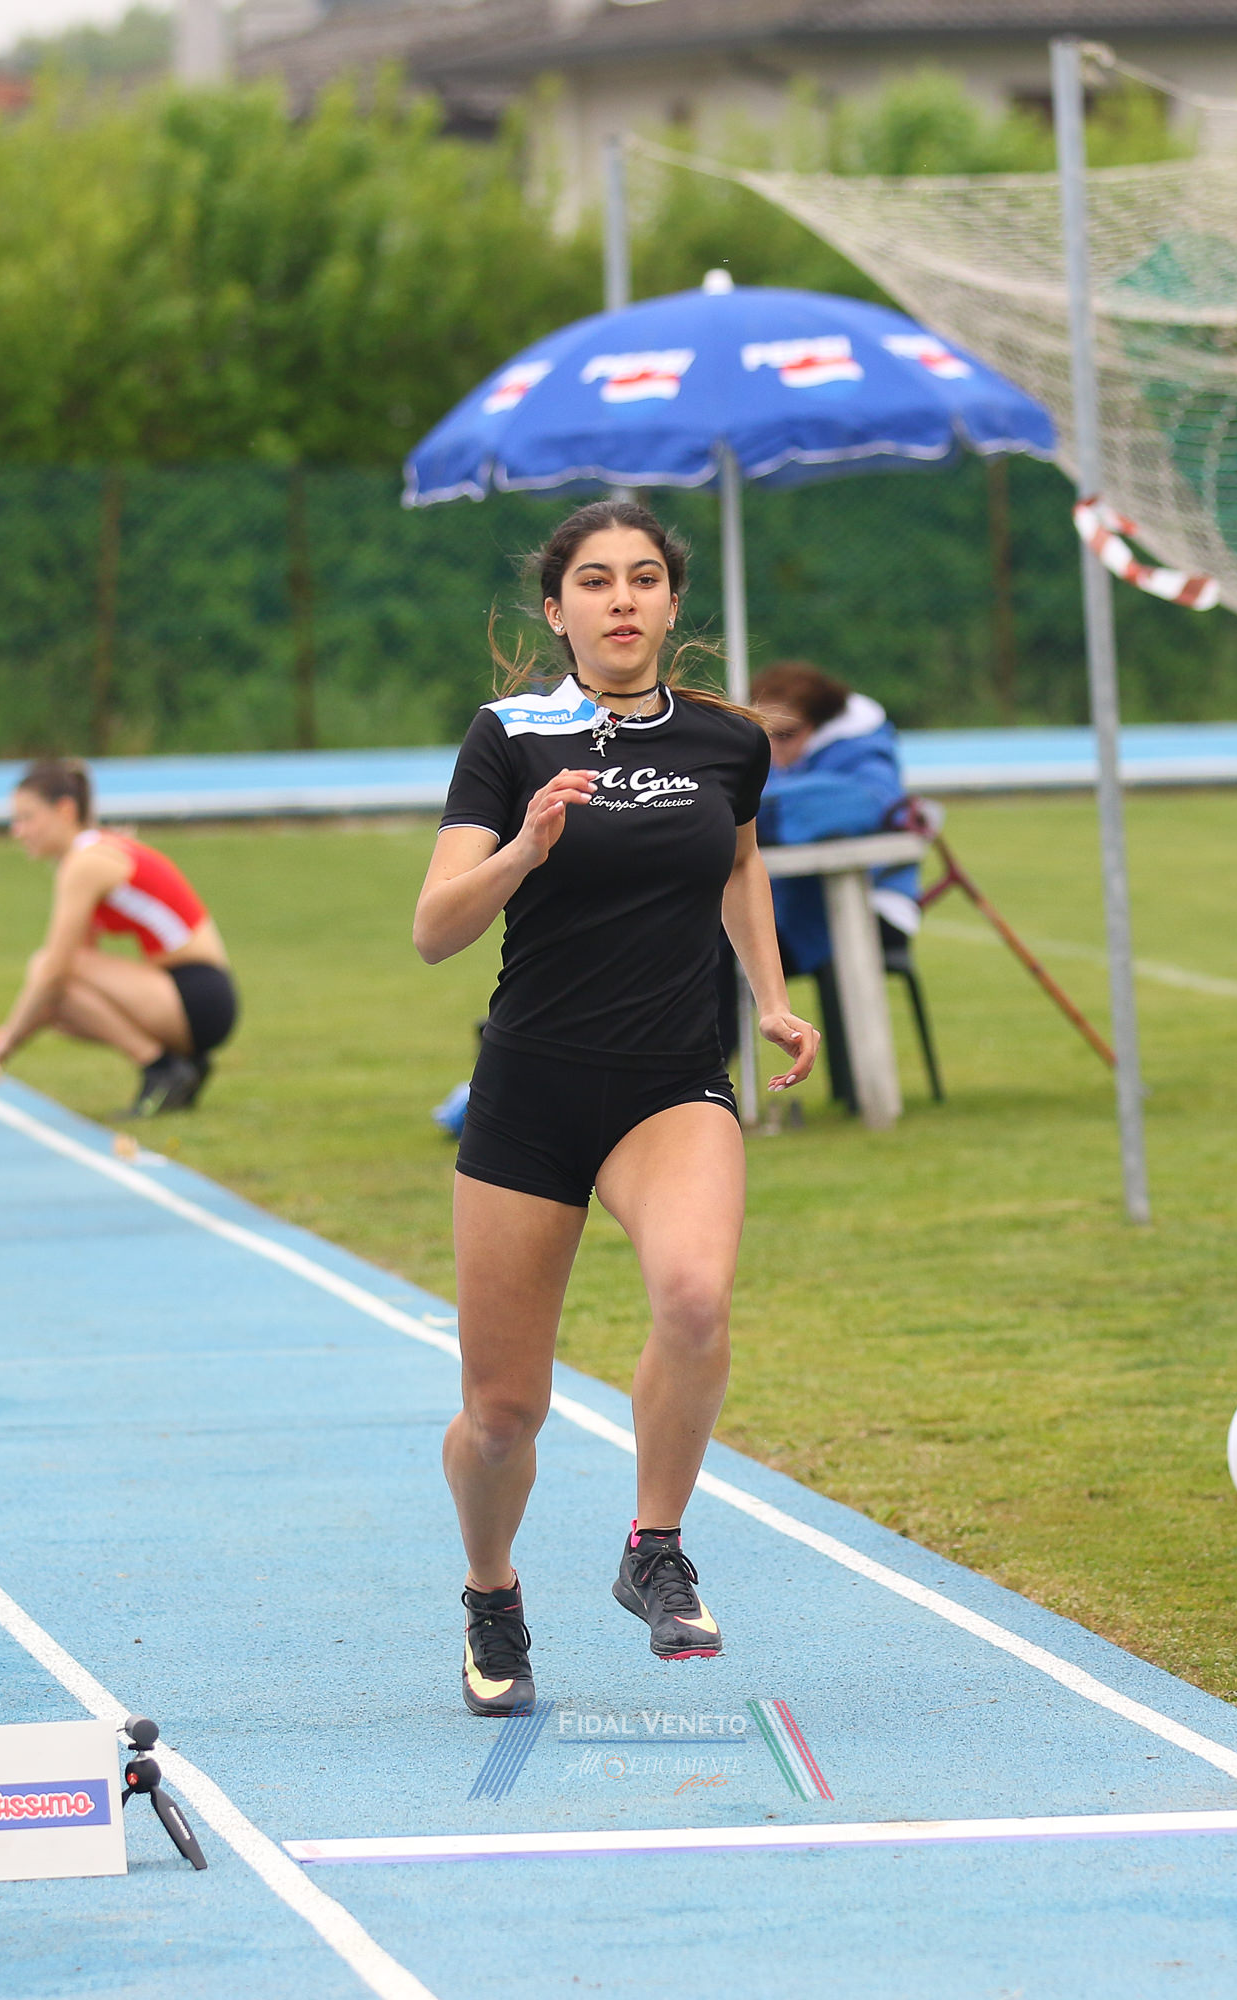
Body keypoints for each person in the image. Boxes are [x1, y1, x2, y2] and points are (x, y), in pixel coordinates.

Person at [413, 498, 818, 1717]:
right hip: (531, 1089)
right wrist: (524, 846)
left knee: (694, 1296)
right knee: (502, 1415)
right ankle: (492, 1591)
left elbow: (737, 858)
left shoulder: (728, 740)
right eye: (595, 580)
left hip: (669, 1079)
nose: (622, 598)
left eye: (644, 577)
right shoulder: (509, 737)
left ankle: (656, 1545)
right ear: (557, 609)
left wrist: (772, 997)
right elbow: (435, 929)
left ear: (673, 602)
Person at [0, 759, 238, 1114]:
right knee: (54, 1002)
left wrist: (7, 1044)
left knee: (44, 967)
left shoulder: (86, 864)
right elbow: (65, 980)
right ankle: (172, 1067)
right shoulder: (89, 854)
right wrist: (8, 1036)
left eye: (28, 818)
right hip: (192, 995)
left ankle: (161, 1067)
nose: (18, 831)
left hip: (200, 996)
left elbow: (56, 969)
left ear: (65, 811)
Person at [752, 662, 922, 1115]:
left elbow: (868, 802)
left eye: (785, 735)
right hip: (796, 911)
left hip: (876, 908)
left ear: (821, 726)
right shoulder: (780, 754)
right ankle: (699, 1094)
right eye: (766, 734)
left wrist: (756, 810)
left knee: (833, 948)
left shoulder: (864, 754)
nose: (773, 746)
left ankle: (866, 1098)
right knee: (713, 944)